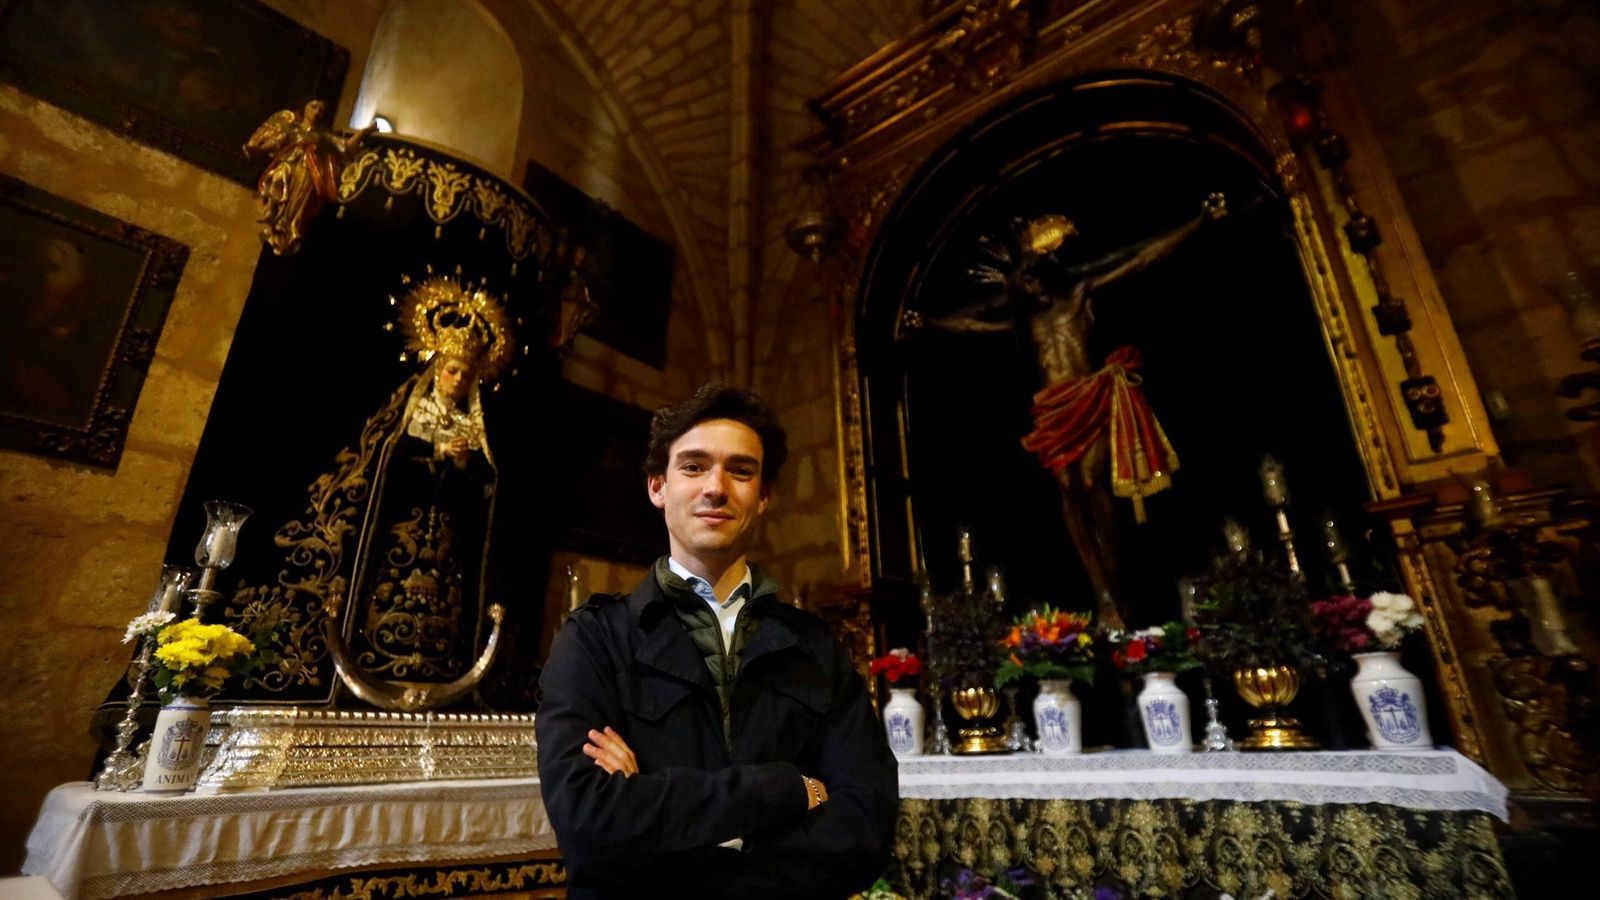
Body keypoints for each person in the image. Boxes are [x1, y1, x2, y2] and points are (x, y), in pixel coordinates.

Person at [536, 385, 898, 899]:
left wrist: (657, 816)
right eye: (693, 466)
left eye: (741, 470)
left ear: (764, 496)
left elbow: (866, 827)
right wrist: (786, 788)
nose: (716, 488)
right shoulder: (594, 640)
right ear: (657, 486)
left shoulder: (815, 648)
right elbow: (588, 821)